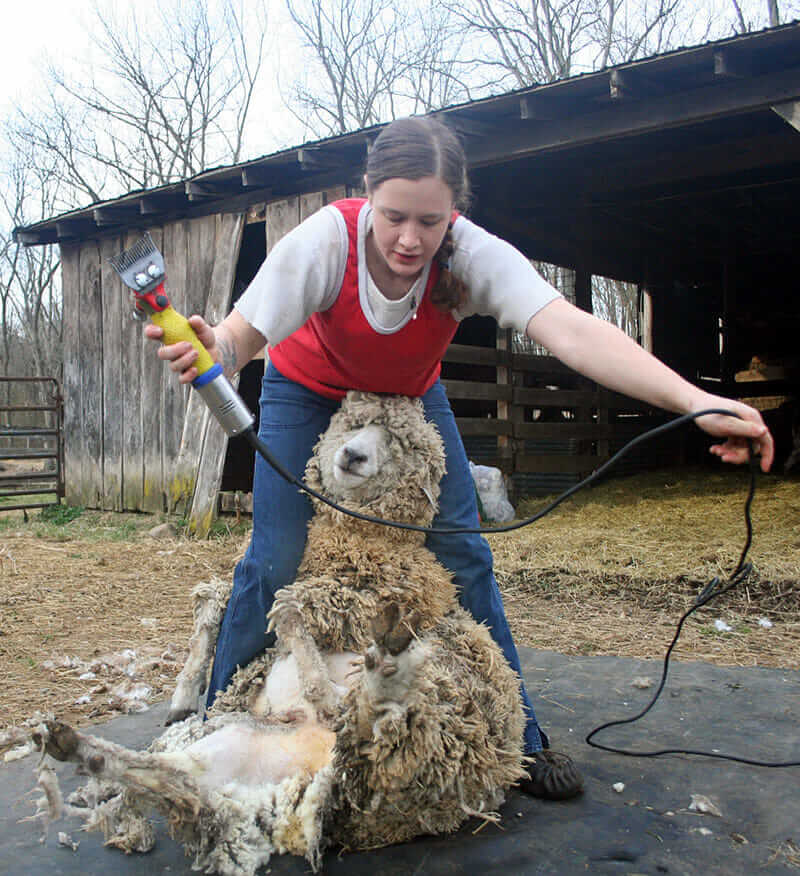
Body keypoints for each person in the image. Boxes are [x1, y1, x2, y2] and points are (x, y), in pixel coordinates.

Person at [147, 116, 774, 801]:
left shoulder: (471, 254)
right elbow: (238, 339)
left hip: (411, 395)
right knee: (276, 554)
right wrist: (216, 350)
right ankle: (209, 728)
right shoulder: (326, 240)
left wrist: (694, 401)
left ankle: (522, 739)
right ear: (368, 198)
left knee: (464, 551)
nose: (410, 238)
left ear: (454, 212)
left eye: (430, 220)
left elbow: (570, 329)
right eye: (393, 217)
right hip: (307, 389)